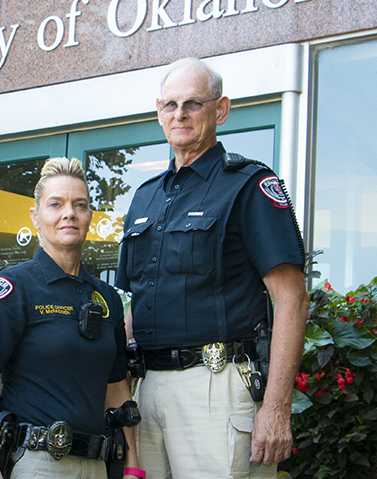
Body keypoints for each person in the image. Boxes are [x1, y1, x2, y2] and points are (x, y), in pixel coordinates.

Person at [116, 58, 309, 478]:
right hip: (147, 392)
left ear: (220, 110)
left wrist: (276, 407)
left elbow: (291, 297)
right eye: (169, 105)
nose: (179, 114)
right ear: (158, 112)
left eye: (192, 104)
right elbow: (138, 303)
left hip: (215, 389)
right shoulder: (144, 198)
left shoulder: (249, 185)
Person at [0, 158, 143, 479]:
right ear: (35, 216)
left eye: (80, 205)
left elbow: (116, 389)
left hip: (96, 465)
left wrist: (132, 464)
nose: (69, 213)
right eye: (55, 204)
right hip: (37, 463)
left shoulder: (108, 299)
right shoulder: (14, 287)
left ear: (89, 215)